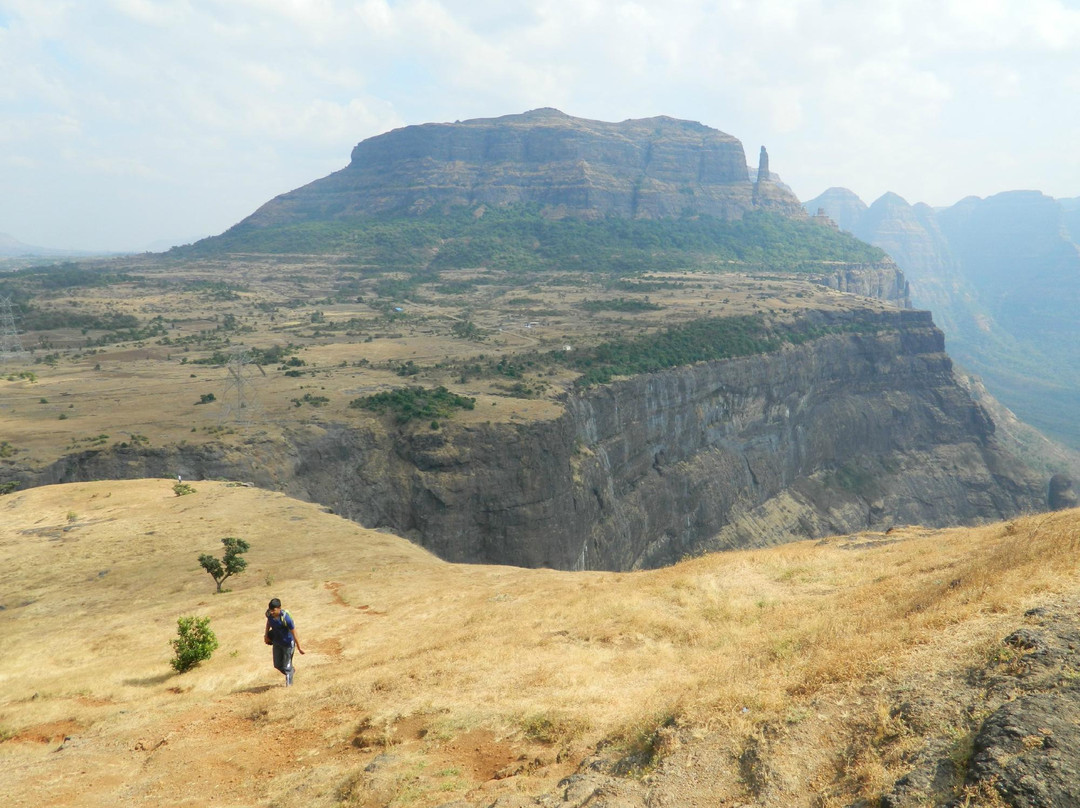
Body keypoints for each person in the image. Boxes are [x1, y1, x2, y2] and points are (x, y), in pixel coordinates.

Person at [264, 597, 304, 686]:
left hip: (288, 644)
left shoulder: (286, 619)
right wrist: (266, 636)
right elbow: (268, 623)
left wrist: (299, 647)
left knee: (287, 666)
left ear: (279, 608)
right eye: (270, 610)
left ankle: (289, 687)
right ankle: (291, 671)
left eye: (273, 610)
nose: (271, 612)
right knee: (277, 664)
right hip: (277, 642)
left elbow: (294, 633)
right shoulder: (269, 615)